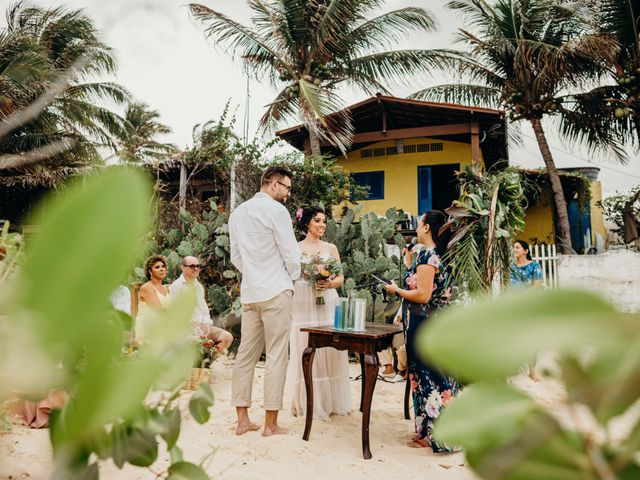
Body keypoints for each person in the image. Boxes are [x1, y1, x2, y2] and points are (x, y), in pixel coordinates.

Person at [228, 166, 301, 437]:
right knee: (277, 356)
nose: (288, 193)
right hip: (275, 290)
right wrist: (290, 279)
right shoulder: (276, 211)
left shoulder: (237, 214)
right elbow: (291, 254)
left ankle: (242, 420)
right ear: (272, 184)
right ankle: (270, 424)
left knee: (245, 356)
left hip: (251, 292)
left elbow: (236, 257)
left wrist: (253, 274)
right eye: (286, 188)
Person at [384, 210, 461, 452]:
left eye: (419, 223)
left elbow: (423, 295)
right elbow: (424, 285)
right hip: (431, 322)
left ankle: (440, 435)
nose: (416, 227)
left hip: (426, 324)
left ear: (427, 228)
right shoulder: (432, 255)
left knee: (430, 376)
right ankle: (427, 432)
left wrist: (396, 291)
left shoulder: (429, 257)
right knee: (425, 375)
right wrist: (409, 265)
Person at [288, 206, 351, 418]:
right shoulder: (295, 248)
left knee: (329, 348)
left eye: (324, 221)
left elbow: (340, 277)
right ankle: (304, 402)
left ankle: (330, 402)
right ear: (307, 223)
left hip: (326, 301)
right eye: (317, 220)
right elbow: (291, 276)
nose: (322, 224)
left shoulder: (330, 248)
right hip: (303, 300)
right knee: (304, 346)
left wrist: (328, 284)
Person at [169, 255, 234, 352]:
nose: (195, 269)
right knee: (198, 340)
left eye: (197, 266)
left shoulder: (198, 286)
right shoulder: (176, 286)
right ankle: (199, 361)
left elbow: (204, 309)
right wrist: (194, 326)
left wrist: (207, 326)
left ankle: (209, 360)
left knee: (227, 337)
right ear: (182, 267)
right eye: (192, 266)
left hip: (202, 326)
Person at [135, 255, 170, 343]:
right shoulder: (146, 288)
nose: (162, 269)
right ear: (150, 272)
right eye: (157, 267)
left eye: (163, 267)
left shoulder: (165, 288)